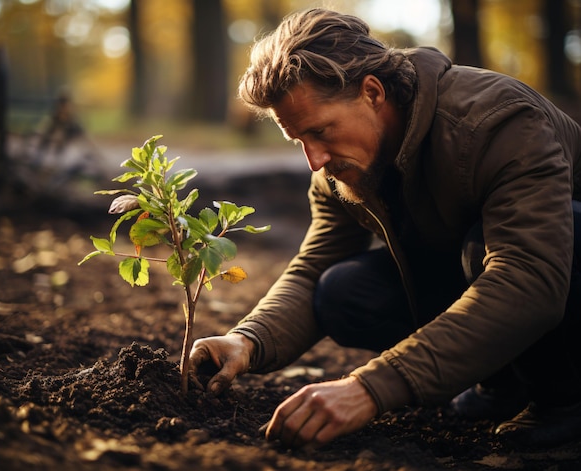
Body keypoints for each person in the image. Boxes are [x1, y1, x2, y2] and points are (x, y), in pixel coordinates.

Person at [189, 8, 581, 450]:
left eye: (320, 131)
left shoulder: (498, 122)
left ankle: (563, 399)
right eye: (298, 140)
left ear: (372, 91)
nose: (314, 160)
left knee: (482, 250)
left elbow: (530, 279)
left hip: (558, 267)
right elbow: (316, 264)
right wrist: (248, 340)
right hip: (512, 279)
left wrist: (372, 388)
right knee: (343, 290)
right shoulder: (338, 169)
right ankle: (503, 381)